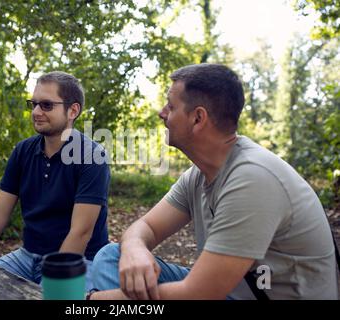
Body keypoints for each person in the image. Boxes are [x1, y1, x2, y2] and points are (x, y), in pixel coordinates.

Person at [89, 63, 339, 300]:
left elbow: (198, 294)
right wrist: (134, 249)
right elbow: (148, 227)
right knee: (113, 256)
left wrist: (95, 299)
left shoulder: (252, 179)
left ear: (198, 118)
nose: (161, 113)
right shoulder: (198, 175)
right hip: (227, 291)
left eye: (171, 106)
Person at [0, 71, 110, 291]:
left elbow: (80, 233)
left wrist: (54, 286)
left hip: (81, 260)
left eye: (46, 105)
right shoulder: (22, 151)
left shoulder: (92, 157)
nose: (35, 112)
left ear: (72, 110)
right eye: (33, 104)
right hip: (27, 256)